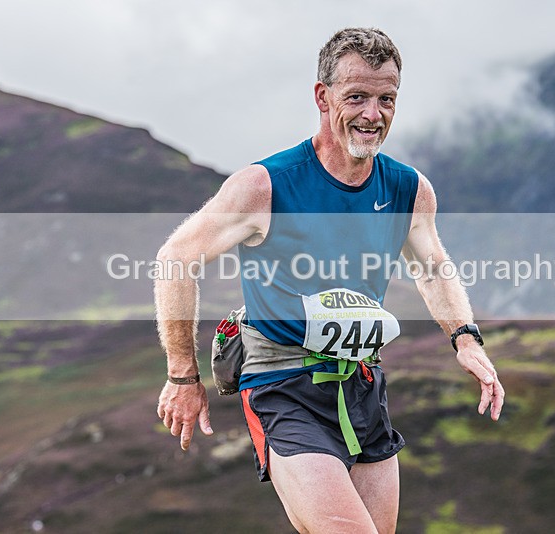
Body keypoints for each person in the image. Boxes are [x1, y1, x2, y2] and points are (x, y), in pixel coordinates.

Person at [154, 27, 505, 533]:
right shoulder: (264, 186)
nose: (373, 115)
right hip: (283, 388)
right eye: (356, 97)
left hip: (362, 385)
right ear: (323, 97)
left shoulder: (408, 190)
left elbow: (433, 269)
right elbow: (176, 258)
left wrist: (465, 340)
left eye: (386, 99)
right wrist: (182, 376)